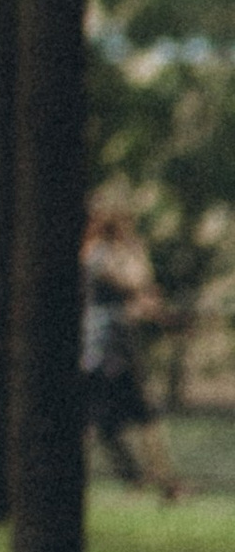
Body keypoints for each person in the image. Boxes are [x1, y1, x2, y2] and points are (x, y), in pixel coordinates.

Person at [81, 196, 184, 499]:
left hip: (117, 347)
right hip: (104, 349)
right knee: (101, 415)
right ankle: (160, 480)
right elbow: (135, 284)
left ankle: (161, 480)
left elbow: (144, 292)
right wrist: (136, 255)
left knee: (134, 415)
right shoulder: (97, 255)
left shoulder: (113, 253)